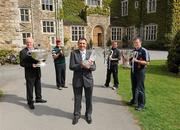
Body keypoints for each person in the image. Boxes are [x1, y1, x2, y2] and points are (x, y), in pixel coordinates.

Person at [69, 38, 96, 125]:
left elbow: (94, 67)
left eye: (84, 43)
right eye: (80, 43)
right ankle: (76, 115)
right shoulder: (74, 53)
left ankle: (88, 114)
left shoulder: (90, 53)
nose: (82, 45)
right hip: (77, 80)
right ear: (78, 44)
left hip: (88, 80)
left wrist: (89, 67)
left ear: (86, 44)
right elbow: (71, 66)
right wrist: (81, 65)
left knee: (89, 99)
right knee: (77, 99)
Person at [19, 37, 47, 110]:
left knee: (38, 85)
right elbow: (22, 63)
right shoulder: (23, 52)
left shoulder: (37, 50)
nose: (29, 44)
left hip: (37, 71)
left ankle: (38, 98)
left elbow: (42, 58)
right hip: (29, 73)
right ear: (26, 43)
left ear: (33, 43)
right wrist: (31, 65)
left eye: (30, 42)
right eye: (27, 42)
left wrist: (43, 59)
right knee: (30, 88)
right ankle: (30, 102)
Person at [128, 36, 150, 111]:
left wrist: (137, 61)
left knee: (140, 88)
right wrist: (128, 60)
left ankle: (141, 104)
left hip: (140, 72)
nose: (135, 44)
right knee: (133, 87)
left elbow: (147, 62)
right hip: (133, 71)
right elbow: (130, 61)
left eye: (137, 42)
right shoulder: (133, 51)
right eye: (134, 43)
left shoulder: (144, 51)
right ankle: (134, 100)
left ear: (140, 42)